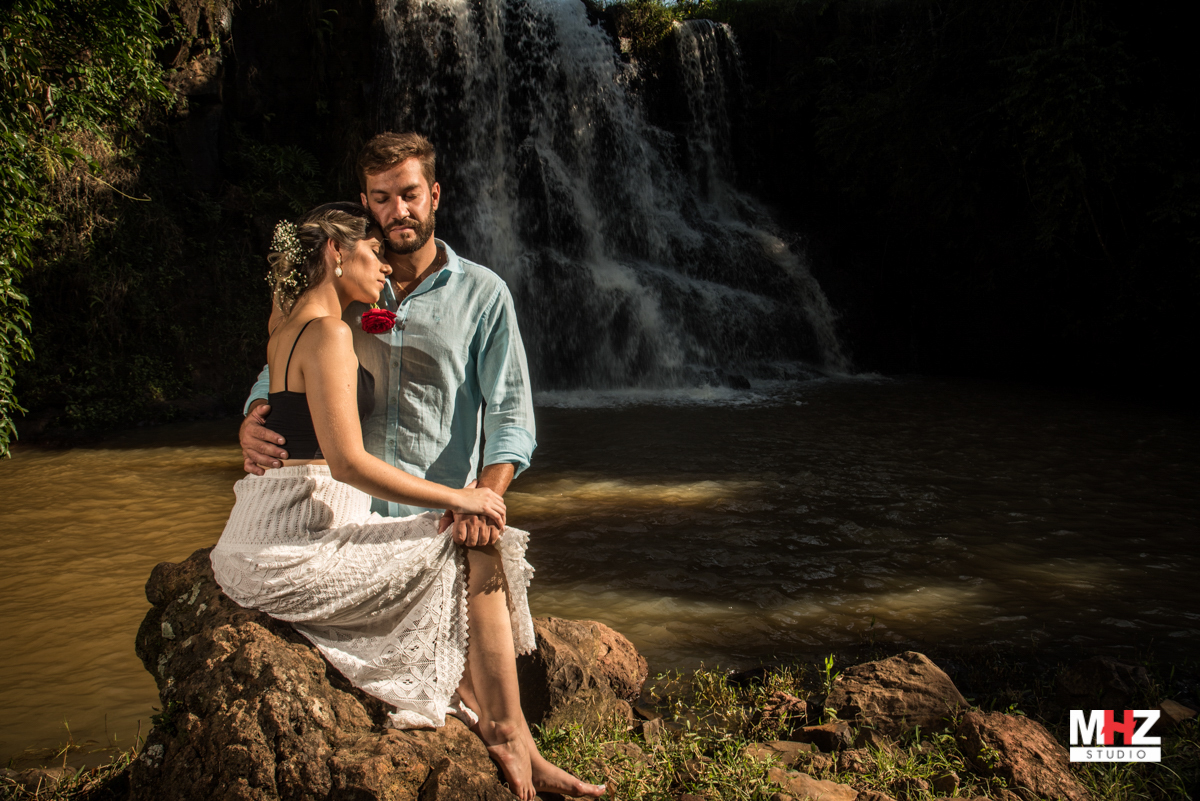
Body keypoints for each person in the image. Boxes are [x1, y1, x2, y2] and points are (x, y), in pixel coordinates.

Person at [212, 202, 604, 801]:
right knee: (480, 546)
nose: (386, 273)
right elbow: (346, 463)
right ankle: (506, 732)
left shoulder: (285, 320)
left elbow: (289, 404)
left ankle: (498, 722)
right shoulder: (331, 332)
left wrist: (476, 493)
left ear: (436, 193)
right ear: (336, 254)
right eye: (372, 255)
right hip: (302, 531)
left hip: (265, 524)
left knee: (470, 537)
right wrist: (460, 496)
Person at [240, 132, 533, 553]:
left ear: (434, 195)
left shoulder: (485, 295)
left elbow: (511, 413)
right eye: (382, 198)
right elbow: (282, 364)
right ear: (365, 203)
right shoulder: (341, 292)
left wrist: (482, 498)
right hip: (341, 517)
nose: (398, 211)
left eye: (410, 194)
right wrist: (256, 418)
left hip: (440, 517)